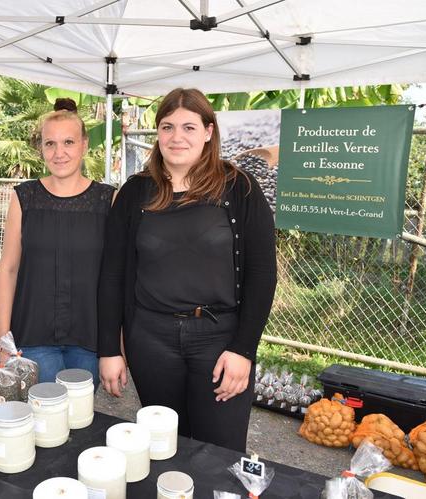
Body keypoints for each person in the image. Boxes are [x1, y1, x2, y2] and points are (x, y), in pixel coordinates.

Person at [97, 88, 277, 451]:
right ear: (158, 134)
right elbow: (112, 275)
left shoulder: (239, 188)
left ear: (208, 132)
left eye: (189, 127)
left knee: (220, 454)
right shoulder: (135, 193)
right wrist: (109, 349)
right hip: (150, 339)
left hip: (219, 341)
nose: (177, 137)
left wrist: (244, 349)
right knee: (165, 450)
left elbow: (262, 273)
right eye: (167, 127)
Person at [0, 99, 115, 386]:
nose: (59, 152)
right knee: (45, 420)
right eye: (50, 144)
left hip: (90, 338)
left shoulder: (108, 200)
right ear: (41, 148)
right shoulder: (24, 198)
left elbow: (116, 278)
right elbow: (8, 269)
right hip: (34, 337)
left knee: (79, 420)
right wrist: (2, 336)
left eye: (69, 142)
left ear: (85, 145)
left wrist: (116, 345)